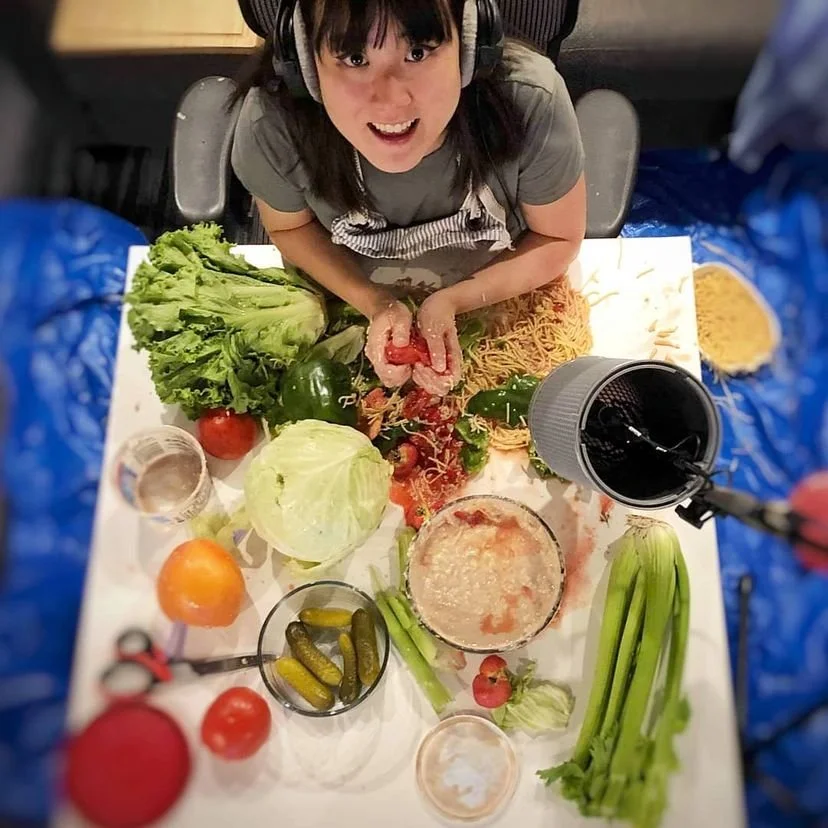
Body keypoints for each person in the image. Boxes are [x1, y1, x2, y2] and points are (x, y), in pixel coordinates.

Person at [231, 0, 586, 395]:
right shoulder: (274, 122)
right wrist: (374, 302)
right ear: (306, 63)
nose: (392, 101)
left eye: (418, 52)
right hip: (342, 317)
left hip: (502, 311)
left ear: (470, 45)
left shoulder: (530, 100)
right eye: (354, 58)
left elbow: (557, 238)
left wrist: (452, 301)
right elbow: (289, 229)